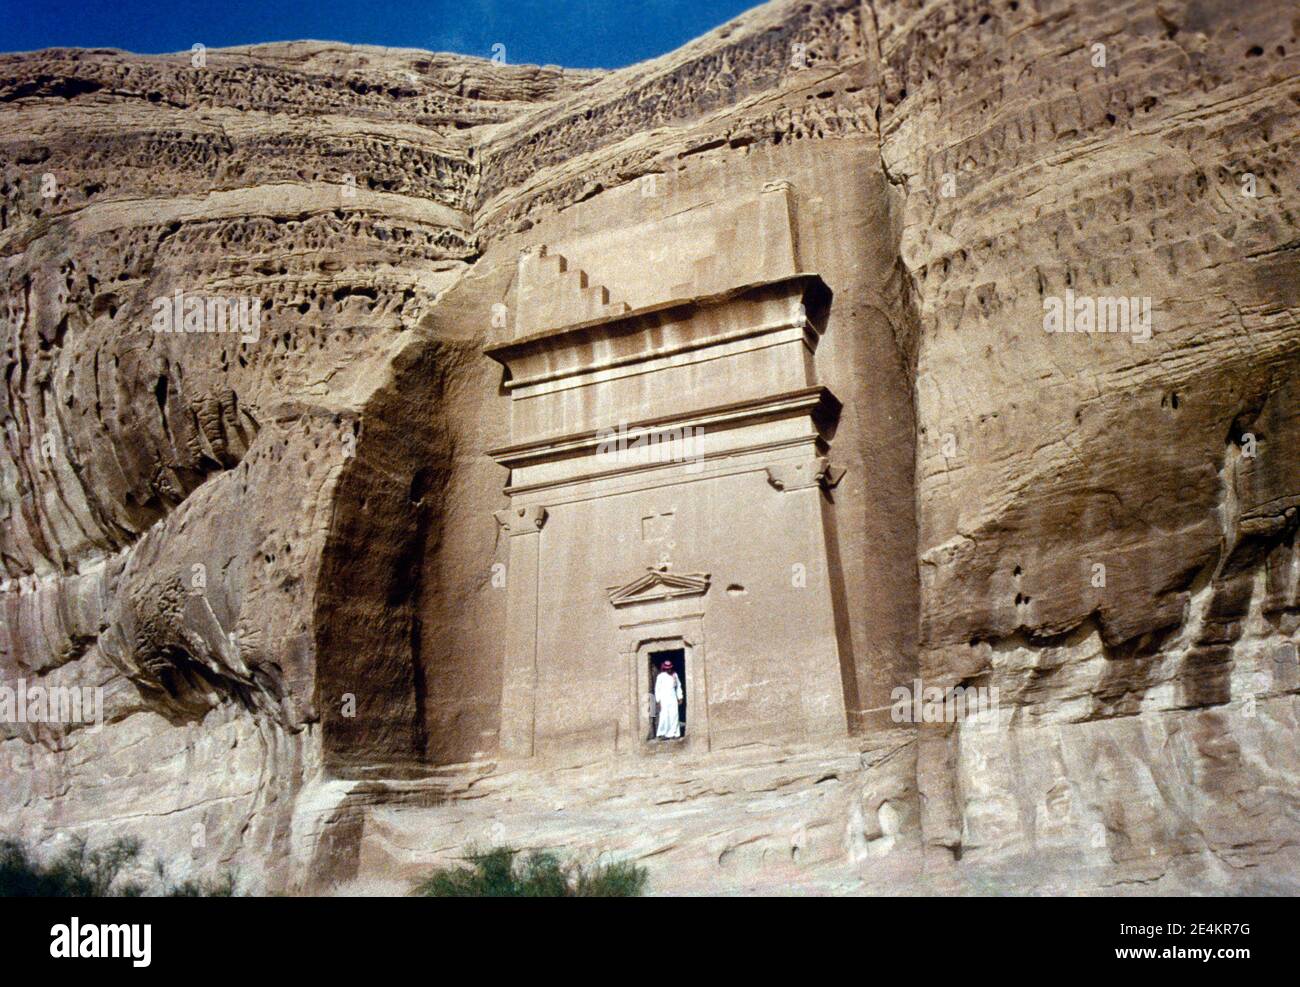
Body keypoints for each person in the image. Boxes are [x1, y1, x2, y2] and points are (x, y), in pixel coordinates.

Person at [654, 659, 684, 739]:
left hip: (673, 697)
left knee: (674, 715)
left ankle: (674, 733)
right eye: (667, 668)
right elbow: (657, 689)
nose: (669, 670)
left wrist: (680, 697)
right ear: (665, 668)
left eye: (670, 668)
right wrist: (658, 700)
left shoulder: (675, 675)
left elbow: (678, 686)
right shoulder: (660, 676)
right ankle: (663, 733)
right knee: (664, 715)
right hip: (664, 698)